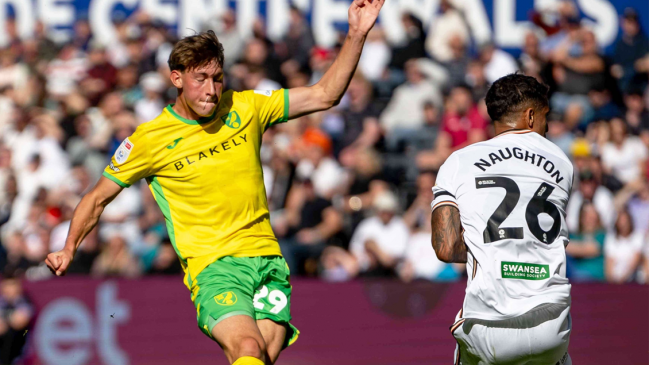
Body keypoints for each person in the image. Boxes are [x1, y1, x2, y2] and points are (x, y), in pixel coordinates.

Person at [44, 1, 385, 365]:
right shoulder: (149, 140)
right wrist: (69, 246)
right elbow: (97, 198)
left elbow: (324, 95)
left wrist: (356, 34)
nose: (211, 89)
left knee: (262, 357)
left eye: (217, 78)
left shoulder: (246, 107)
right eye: (200, 79)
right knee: (248, 349)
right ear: (177, 79)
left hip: (268, 260)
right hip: (214, 266)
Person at [431, 74, 573, 364]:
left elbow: (445, 247)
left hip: (488, 326)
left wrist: (488, 248)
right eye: (546, 117)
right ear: (531, 116)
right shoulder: (562, 162)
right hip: (552, 326)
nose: (547, 127)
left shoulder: (458, 161)